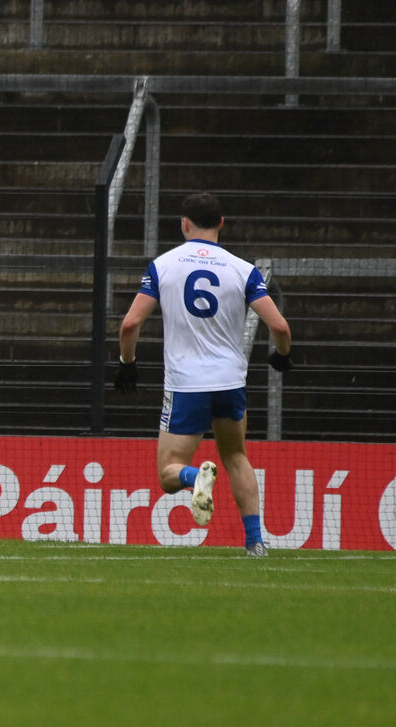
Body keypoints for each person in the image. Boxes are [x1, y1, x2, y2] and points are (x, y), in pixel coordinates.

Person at [115, 192, 293, 557]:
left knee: (168, 473)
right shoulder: (243, 269)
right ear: (221, 224)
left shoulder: (163, 266)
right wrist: (282, 355)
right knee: (237, 456)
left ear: (184, 224)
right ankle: (255, 542)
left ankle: (196, 478)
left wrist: (127, 363)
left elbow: (130, 323)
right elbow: (280, 326)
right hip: (230, 382)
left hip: (186, 384)